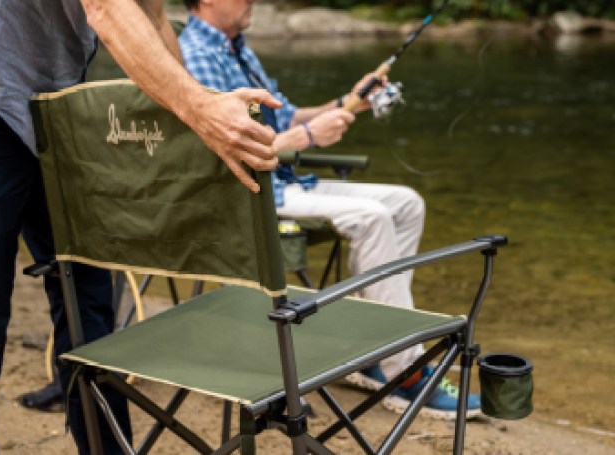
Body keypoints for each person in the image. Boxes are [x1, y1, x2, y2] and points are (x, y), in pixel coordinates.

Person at [0, 1, 280, 453]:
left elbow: (154, 17)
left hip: (51, 116)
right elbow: (105, 9)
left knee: (89, 308)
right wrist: (200, 108)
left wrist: (202, 125)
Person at [178, 0, 481, 419]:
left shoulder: (235, 47)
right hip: (248, 193)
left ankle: (371, 350)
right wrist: (305, 138)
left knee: (407, 204)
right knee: (372, 219)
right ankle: (405, 372)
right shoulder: (196, 55)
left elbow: (285, 118)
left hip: (283, 181)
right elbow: (223, 146)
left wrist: (348, 100)